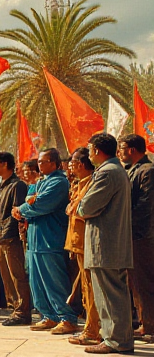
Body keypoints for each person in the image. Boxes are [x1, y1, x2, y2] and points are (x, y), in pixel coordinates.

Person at [78, 133, 134, 355]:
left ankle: (116, 340)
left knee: (110, 295)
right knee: (114, 294)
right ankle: (117, 338)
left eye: (90, 149)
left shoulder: (107, 173)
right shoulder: (114, 171)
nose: (89, 153)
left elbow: (86, 207)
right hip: (111, 243)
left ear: (98, 151)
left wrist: (80, 206)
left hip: (105, 244)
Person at [13, 148, 76, 334]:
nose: (40, 165)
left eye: (44, 161)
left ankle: (66, 317)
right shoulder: (40, 182)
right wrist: (27, 205)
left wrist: (22, 209)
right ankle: (48, 315)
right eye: (39, 162)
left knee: (54, 281)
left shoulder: (58, 182)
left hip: (50, 239)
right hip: (34, 239)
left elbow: (41, 204)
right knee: (36, 281)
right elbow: (30, 200)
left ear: (55, 163)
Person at [0, 152, 32, 326]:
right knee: (7, 277)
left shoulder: (17, 185)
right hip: (1, 237)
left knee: (17, 276)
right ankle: (15, 308)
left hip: (11, 238)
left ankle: (23, 311)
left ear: (6, 164)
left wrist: (5, 234)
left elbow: (16, 213)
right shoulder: (1, 185)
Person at [64, 147, 101, 346]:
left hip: (88, 244)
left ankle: (93, 330)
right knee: (86, 290)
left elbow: (79, 210)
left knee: (91, 290)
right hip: (77, 244)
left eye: (74, 161)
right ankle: (91, 326)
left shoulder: (91, 184)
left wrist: (72, 207)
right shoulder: (78, 184)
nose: (70, 165)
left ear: (81, 163)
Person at [119, 133, 154, 341]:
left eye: (122, 148)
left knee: (145, 282)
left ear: (131, 149)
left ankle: (149, 325)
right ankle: (144, 321)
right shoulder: (132, 170)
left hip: (143, 236)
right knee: (136, 283)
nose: (120, 153)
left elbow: (145, 206)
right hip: (132, 235)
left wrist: (128, 225)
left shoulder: (148, 171)